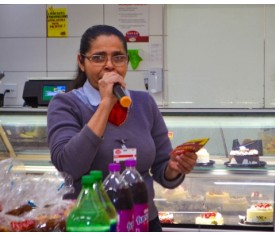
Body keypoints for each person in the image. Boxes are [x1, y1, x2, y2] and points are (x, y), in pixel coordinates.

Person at [47, 24, 197, 232]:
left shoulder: (144, 103)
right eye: (98, 58)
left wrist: (175, 167)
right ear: (81, 62)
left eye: (118, 57)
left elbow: (163, 170)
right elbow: (69, 166)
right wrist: (105, 104)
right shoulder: (65, 104)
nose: (110, 65)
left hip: (142, 222)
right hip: (90, 224)